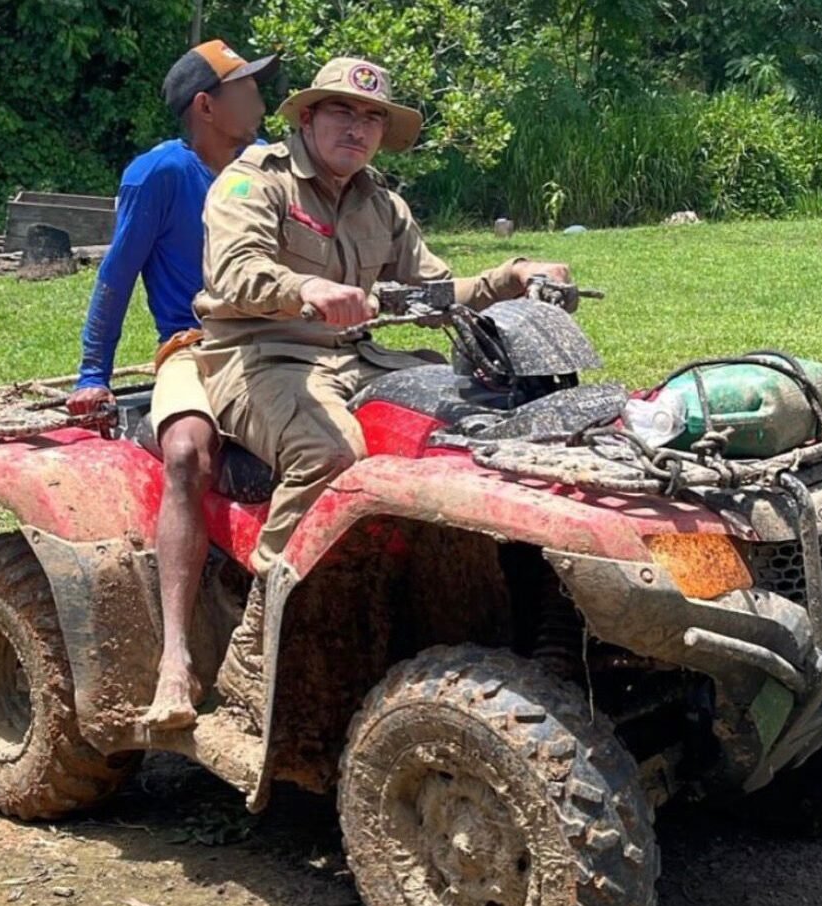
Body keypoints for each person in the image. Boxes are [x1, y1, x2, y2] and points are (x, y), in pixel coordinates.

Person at [192, 57, 571, 711]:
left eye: (372, 117)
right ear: (307, 118)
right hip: (260, 355)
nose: (357, 128)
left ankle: (483, 608)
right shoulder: (255, 180)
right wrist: (305, 288)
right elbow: (234, 273)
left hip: (360, 354)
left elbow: (422, 295)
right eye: (342, 111)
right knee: (328, 454)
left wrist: (509, 276)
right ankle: (258, 646)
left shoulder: (380, 201)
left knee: (475, 427)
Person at [66, 39, 278, 730]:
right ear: (205, 105)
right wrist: (94, 374)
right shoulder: (161, 173)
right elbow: (116, 274)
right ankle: (175, 661)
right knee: (188, 453)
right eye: (244, 86)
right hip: (198, 345)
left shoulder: (266, 166)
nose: (259, 96)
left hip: (283, 341)